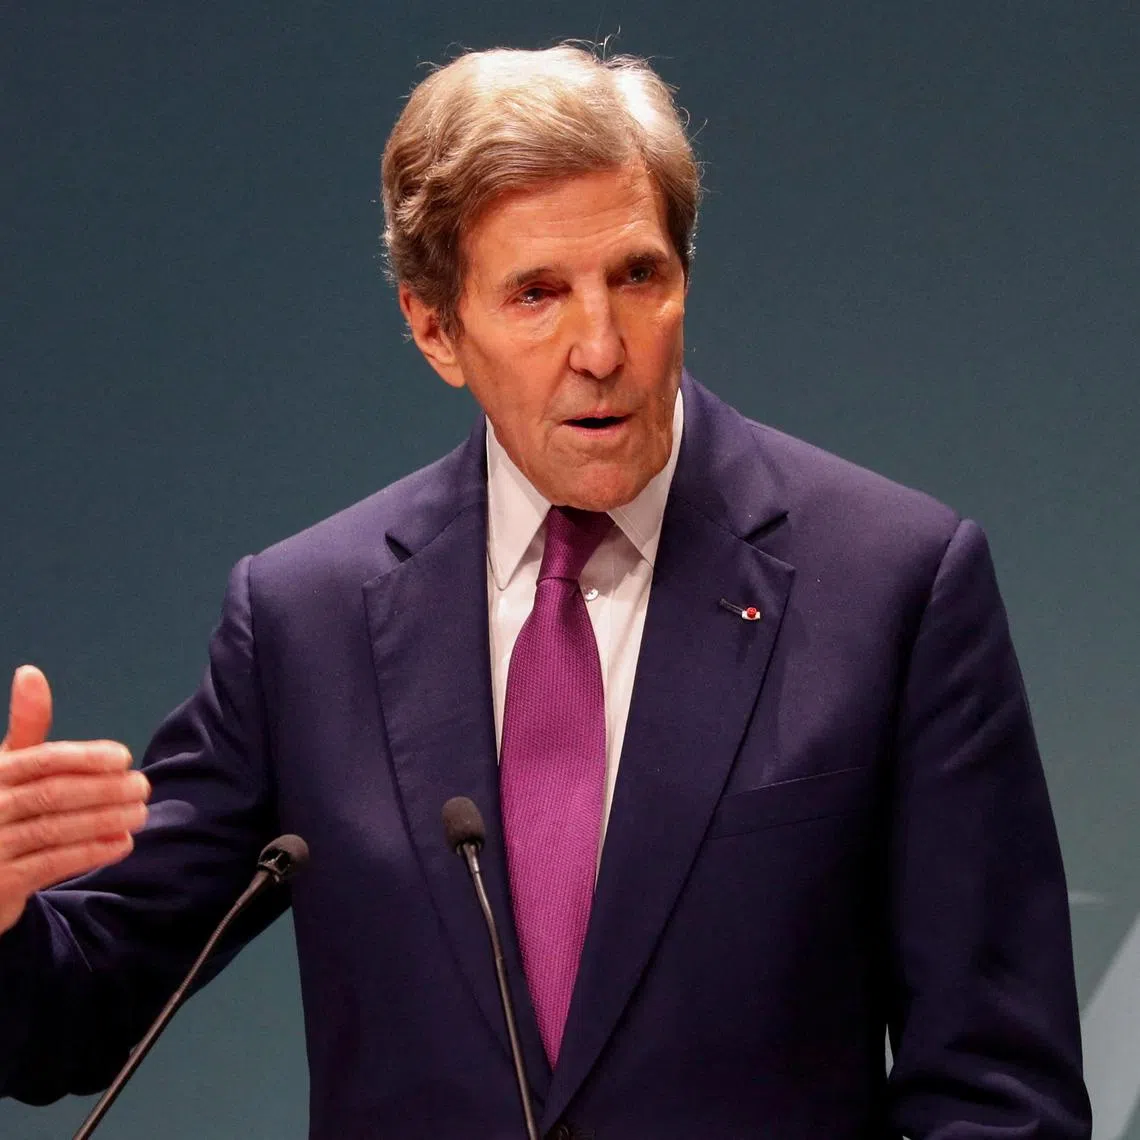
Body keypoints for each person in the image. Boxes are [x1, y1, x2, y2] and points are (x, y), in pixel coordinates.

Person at [0, 45, 1091, 1140]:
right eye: (537, 295)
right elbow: (74, 1010)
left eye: (637, 277)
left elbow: (1000, 1094)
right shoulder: (304, 621)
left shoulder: (892, 584)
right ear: (436, 329)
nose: (601, 348)